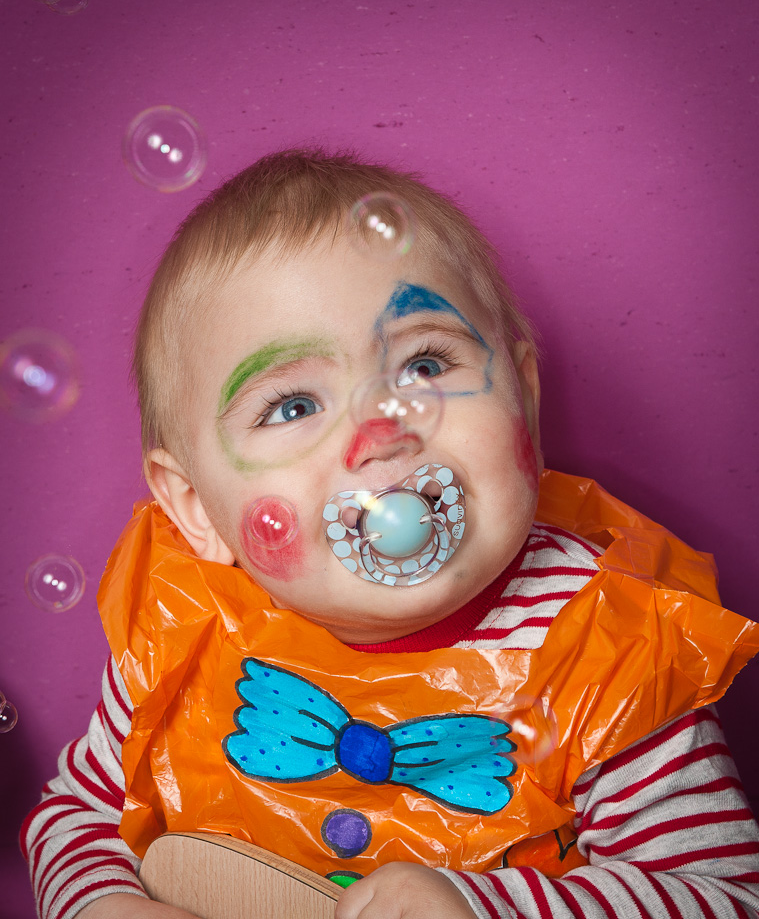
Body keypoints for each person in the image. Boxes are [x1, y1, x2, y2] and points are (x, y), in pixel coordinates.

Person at [21, 148, 759, 919]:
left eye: (424, 364)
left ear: (526, 400)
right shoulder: (180, 628)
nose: (379, 432)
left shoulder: (614, 657)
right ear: (196, 510)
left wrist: (487, 909)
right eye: (293, 406)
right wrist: (105, 904)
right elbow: (76, 819)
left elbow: (723, 899)